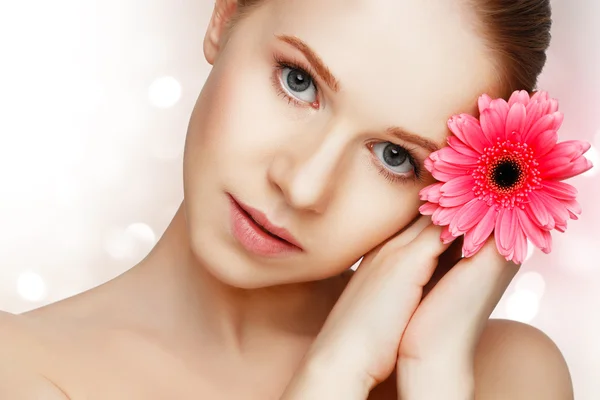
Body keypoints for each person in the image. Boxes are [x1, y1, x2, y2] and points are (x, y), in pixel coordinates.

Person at [0, 0, 575, 398]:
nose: (303, 186)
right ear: (226, 17)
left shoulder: (502, 378)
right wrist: (333, 375)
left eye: (394, 157)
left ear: (451, 192)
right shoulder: (20, 367)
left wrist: (431, 374)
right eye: (298, 81)